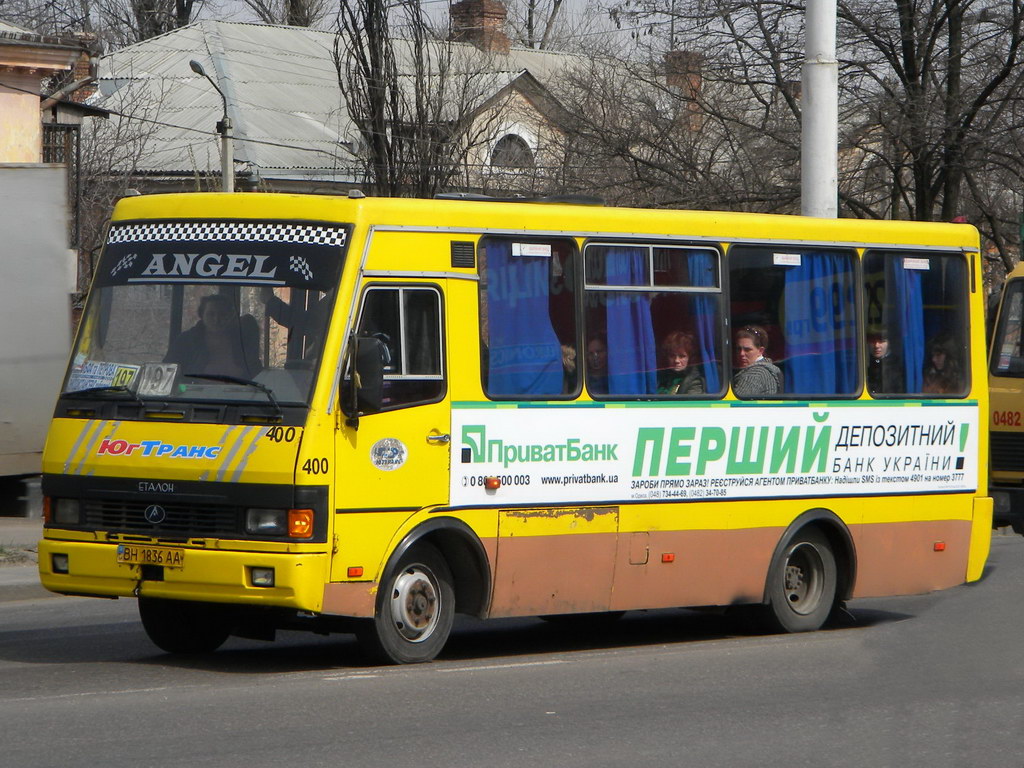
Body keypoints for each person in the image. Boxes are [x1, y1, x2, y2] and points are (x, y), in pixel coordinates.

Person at [164, 293, 261, 379]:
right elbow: (167, 372)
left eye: (222, 315)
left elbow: (255, 372)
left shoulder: (243, 341)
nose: (216, 320)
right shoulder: (186, 341)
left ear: (231, 316)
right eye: (211, 314)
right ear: (202, 315)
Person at [732, 325, 781, 397]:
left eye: (747, 350)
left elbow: (734, 403)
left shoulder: (754, 374)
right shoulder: (768, 369)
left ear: (760, 351)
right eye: (738, 349)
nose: (741, 354)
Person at [866, 330, 904, 394]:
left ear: (889, 343)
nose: (876, 345)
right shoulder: (864, 364)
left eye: (881, 341)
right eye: (872, 341)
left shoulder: (896, 365)